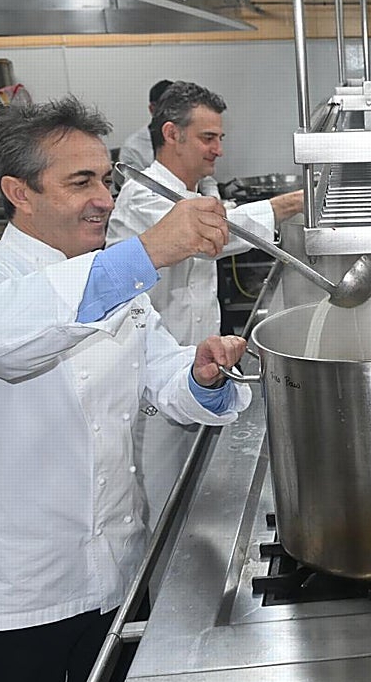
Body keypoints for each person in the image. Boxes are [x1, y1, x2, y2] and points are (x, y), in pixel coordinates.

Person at [0, 96, 253, 682]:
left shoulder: (111, 281)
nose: (104, 198)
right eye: (81, 182)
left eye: (106, 178)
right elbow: (11, 338)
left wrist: (202, 375)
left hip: (116, 571)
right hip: (23, 589)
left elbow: (163, 381)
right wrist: (146, 255)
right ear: (19, 192)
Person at [106, 81, 303, 527]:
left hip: (199, 375)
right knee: (160, 514)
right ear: (172, 133)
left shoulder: (195, 192)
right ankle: (154, 598)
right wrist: (292, 202)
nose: (217, 149)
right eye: (207, 137)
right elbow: (210, 234)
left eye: (220, 138)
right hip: (155, 388)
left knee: (191, 502)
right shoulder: (143, 197)